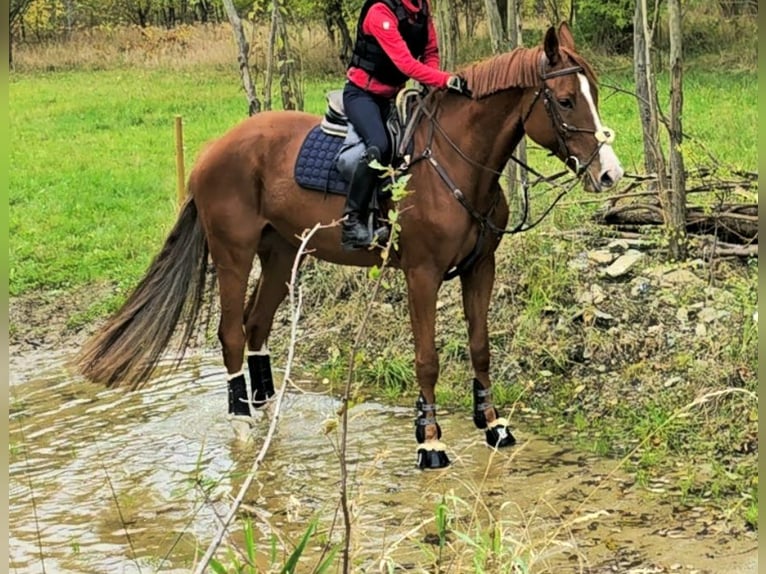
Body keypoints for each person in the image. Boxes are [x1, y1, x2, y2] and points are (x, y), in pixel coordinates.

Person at [340, 0, 471, 250]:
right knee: (379, 146)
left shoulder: (422, 8)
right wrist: (445, 80)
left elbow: (430, 53)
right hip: (362, 95)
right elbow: (406, 64)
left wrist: (432, 81)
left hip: (393, 97)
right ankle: (352, 224)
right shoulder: (379, 12)